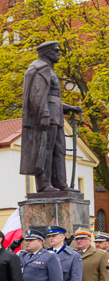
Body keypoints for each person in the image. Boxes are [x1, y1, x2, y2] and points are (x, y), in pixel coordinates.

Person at [19, 41, 82, 192]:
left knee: (59, 150)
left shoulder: (51, 70)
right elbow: (36, 96)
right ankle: (44, 184)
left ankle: (60, 183)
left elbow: (52, 97)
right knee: (45, 149)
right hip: (46, 116)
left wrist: (69, 108)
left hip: (56, 116)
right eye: (56, 51)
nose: (59, 53)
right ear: (47, 53)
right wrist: (43, 114)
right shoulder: (39, 69)